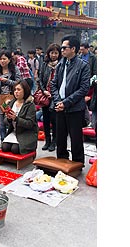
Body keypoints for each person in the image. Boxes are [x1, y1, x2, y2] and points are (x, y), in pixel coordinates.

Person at [51, 35, 90, 164]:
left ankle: (78, 163)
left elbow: (83, 89)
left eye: (64, 47)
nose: (61, 50)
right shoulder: (61, 64)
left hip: (74, 108)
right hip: (59, 106)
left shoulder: (83, 66)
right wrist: (58, 101)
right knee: (60, 137)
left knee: (76, 138)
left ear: (73, 48)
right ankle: (62, 162)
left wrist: (66, 103)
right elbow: (53, 84)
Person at [2, 79, 38, 154]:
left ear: (25, 91)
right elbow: (5, 121)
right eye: (15, 90)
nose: (16, 92)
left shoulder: (30, 105)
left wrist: (16, 119)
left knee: (15, 149)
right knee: (4, 147)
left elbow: (30, 124)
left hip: (26, 134)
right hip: (14, 132)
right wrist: (8, 119)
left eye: (18, 90)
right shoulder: (12, 103)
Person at [0, 49, 21, 143]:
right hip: (1, 98)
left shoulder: (14, 69)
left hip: (11, 98)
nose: (2, 61)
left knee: (11, 119)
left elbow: (19, 83)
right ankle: (3, 141)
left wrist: (7, 81)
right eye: (0, 59)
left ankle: (13, 140)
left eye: (4, 59)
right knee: (1, 122)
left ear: (9, 59)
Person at [39, 43, 62, 151]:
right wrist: (44, 90)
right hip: (45, 95)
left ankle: (54, 141)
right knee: (46, 120)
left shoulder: (61, 64)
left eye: (56, 53)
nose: (53, 55)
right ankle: (47, 140)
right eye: (52, 52)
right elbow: (40, 79)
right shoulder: (44, 64)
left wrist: (54, 94)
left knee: (54, 120)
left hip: (56, 96)